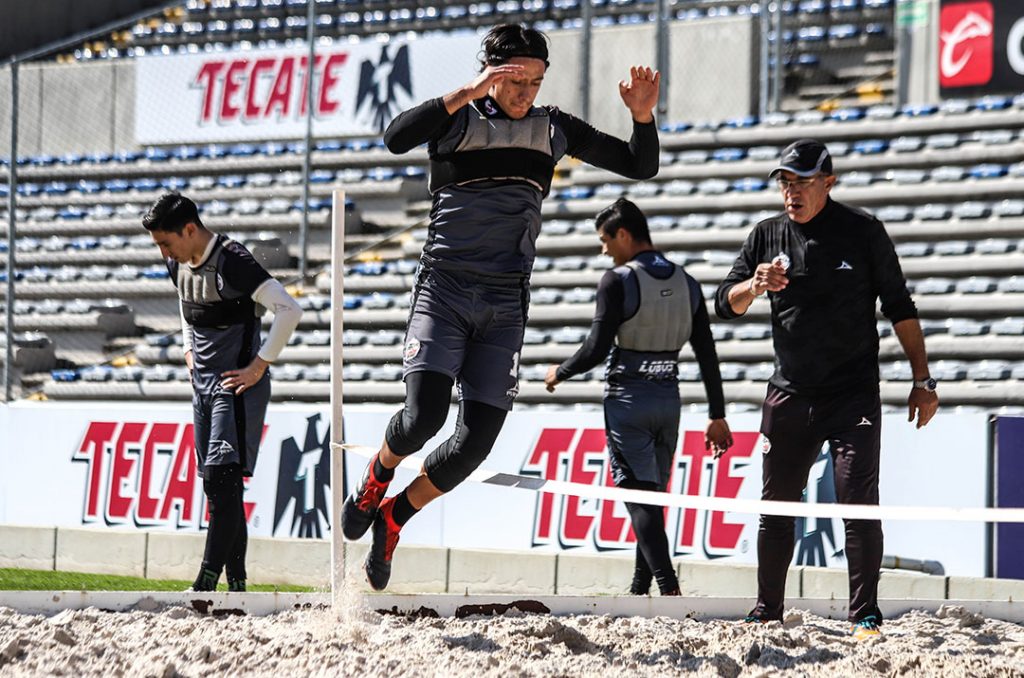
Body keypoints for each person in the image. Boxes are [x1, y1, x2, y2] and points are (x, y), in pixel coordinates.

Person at [341, 23, 661, 591]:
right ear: (490, 74)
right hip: (444, 289)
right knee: (423, 419)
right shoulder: (458, 118)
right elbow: (394, 137)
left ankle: (393, 519)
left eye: (535, 82)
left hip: (506, 301)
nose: (525, 93)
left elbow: (640, 165)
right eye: (515, 81)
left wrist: (641, 116)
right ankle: (377, 474)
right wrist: (467, 92)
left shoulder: (553, 127)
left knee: (475, 444)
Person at [713, 139, 939, 639]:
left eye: (802, 182)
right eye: (785, 182)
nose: (791, 192)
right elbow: (723, 304)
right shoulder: (767, 235)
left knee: (858, 505)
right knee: (776, 508)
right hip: (789, 393)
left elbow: (900, 307)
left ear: (829, 182)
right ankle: (767, 610)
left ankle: (865, 615)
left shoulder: (863, 231)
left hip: (852, 394)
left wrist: (922, 380)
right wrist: (754, 285)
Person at [544, 198, 733, 597]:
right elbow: (707, 353)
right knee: (651, 499)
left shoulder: (617, 280)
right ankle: (638, 588)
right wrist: (717, 413)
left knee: (639, 500)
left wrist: (560, 372)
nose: (604, 250)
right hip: (669, 401)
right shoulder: (687, 281)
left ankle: (669, 588)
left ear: (624, 235)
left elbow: (596, 348)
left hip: (628, 402)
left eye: (605, 240)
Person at [143, 193, 302, 592]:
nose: (164, 253)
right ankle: (238, 587)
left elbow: (289, 310)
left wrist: (259, 365)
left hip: (235, 388)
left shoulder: (233, 261)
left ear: (189, 229)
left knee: (219, 480)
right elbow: (186, 304)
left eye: (166, 243)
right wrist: (188, 349)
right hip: (202, 387)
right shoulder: (176, 262)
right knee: (221, 489)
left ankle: (204, 584)